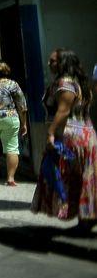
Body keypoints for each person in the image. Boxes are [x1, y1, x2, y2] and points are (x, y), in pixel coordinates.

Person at [31, 49, 96, 231]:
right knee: (83, 178)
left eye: (53, 61)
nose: (49, 64)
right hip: (85, 133)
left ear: (63, 62)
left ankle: (85, 219)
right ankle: (86, 218)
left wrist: (50, 133)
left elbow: (64, 110)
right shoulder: (78, 82)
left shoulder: (65, 83)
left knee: (68, 177)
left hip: (71, 136)